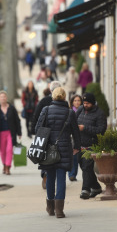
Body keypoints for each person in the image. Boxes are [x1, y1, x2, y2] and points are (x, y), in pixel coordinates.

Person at [36, 87, 81, 218]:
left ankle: (50, 207)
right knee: (61, 178)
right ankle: (59, 210)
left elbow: (38, 128)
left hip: (48, 148)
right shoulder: (69, 113)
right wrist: (76, 146)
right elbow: (75, 132)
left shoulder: (46, 110)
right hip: (64, 149)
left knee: (50, 177)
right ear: (64, 96)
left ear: (53, 97)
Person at [76, 92, 107, 199]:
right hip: (80, 144)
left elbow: (101, 130)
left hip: (92, 145)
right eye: (84, 103)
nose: (85, 105)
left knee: (86, 166)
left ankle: (85, 189)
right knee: (84, 167)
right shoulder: (80, 110)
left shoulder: (99, 114)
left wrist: (84, 128)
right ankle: (96, 187)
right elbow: (74, 121)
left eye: (87, 103)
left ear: (93, 103)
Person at [0, 91, 22, 175]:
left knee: (9, 150)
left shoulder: (12, 108)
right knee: (2, 151)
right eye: (1, 97)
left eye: (4, 97)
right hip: (0, 134)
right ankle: (4, 164)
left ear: (6, 98)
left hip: (10, 133)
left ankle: (7, 167)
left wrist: (19, 132)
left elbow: (17, 120)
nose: (3, 98)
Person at [68, 94, 83, 181]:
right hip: (72, 137)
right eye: (75, 101)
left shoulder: (84, 112)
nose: (77, 102)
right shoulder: (70, 112)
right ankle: (72, 174)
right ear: (72, 102)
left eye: (78, 101)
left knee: (79, 157)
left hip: (82, 136)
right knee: (73, 155)